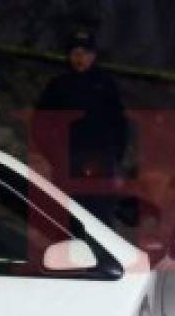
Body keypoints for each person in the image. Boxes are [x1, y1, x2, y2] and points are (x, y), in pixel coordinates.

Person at [33, 28, 128, 225]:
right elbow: (40, 124)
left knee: (99, 218)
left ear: (93, 56)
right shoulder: (58, 86)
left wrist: (114, 156)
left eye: (85, 54)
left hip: (100, 163)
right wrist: (56, 156)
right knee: (68, 218)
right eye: (75, 53)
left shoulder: (105, 85)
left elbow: (120, 125)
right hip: (68, 163)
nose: (80, 58)